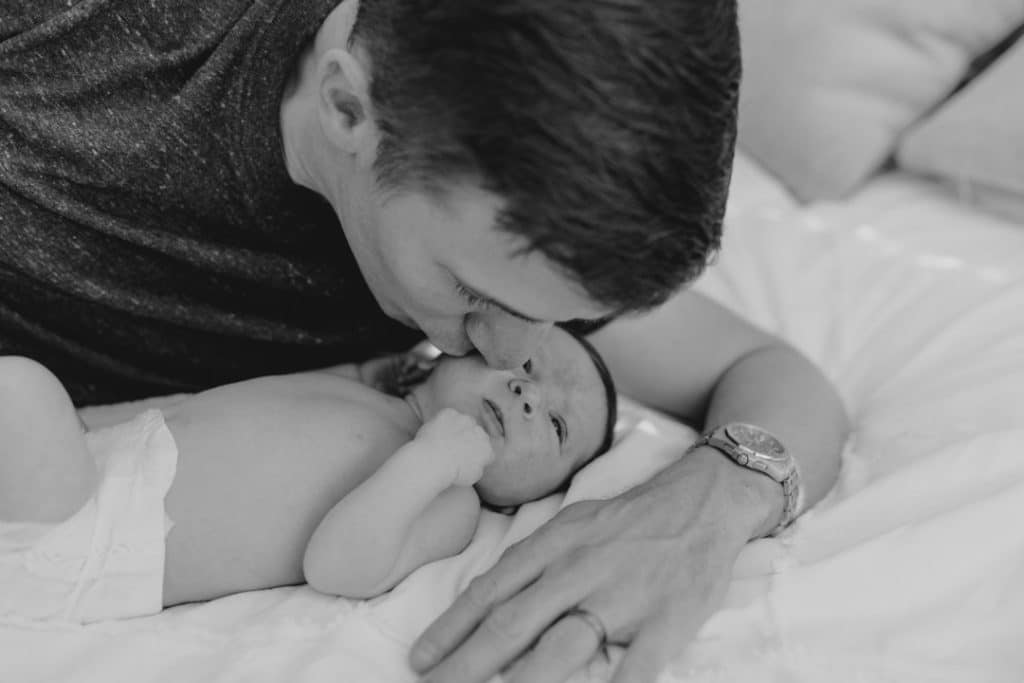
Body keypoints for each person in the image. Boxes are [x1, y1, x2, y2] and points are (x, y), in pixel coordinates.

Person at [0, 0, 849, 680]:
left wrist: (704, 509)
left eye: (555, 322)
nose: (511, 355)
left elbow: (769, 373)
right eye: (475, 295)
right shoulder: (86, 34)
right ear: (346, 107)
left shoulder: (523, 246)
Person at [0, 325, 617, 620]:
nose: (530, 396)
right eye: (527, 364)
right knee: (29, 402)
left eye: (556, 426)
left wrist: (433, 461)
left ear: (528, 498)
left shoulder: (448, 500)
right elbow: (188, 412)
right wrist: (86, 427)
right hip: (86, 471)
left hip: (97, 541)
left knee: (20, 387)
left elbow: (339, 565)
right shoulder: (368, 394)